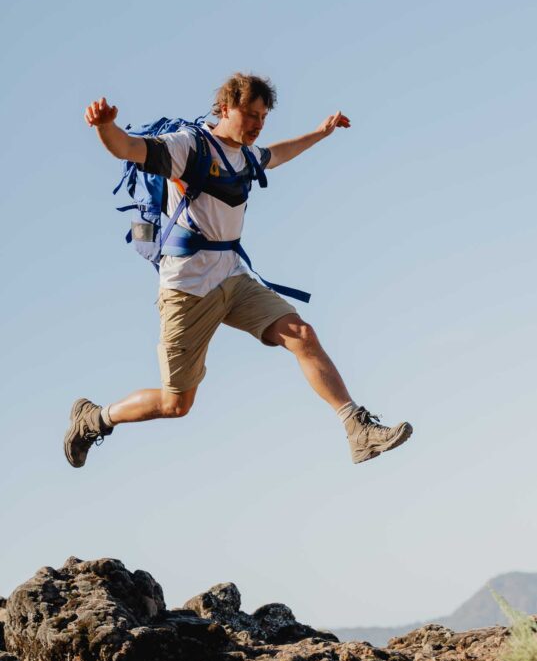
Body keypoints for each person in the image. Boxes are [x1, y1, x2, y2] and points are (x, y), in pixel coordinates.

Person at [64, 72, 412, 468]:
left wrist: (320, 133)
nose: (257, 124)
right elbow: (127, 148)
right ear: (225, 107)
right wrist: (105, 127)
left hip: (232, 276)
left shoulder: (246, 156)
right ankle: (94, 418)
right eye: (250, 114)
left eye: (263, 117)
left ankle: (357, 430)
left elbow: (278, 154)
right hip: (187, 289)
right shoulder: (189, 146)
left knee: (301, 334)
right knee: (175, 403)